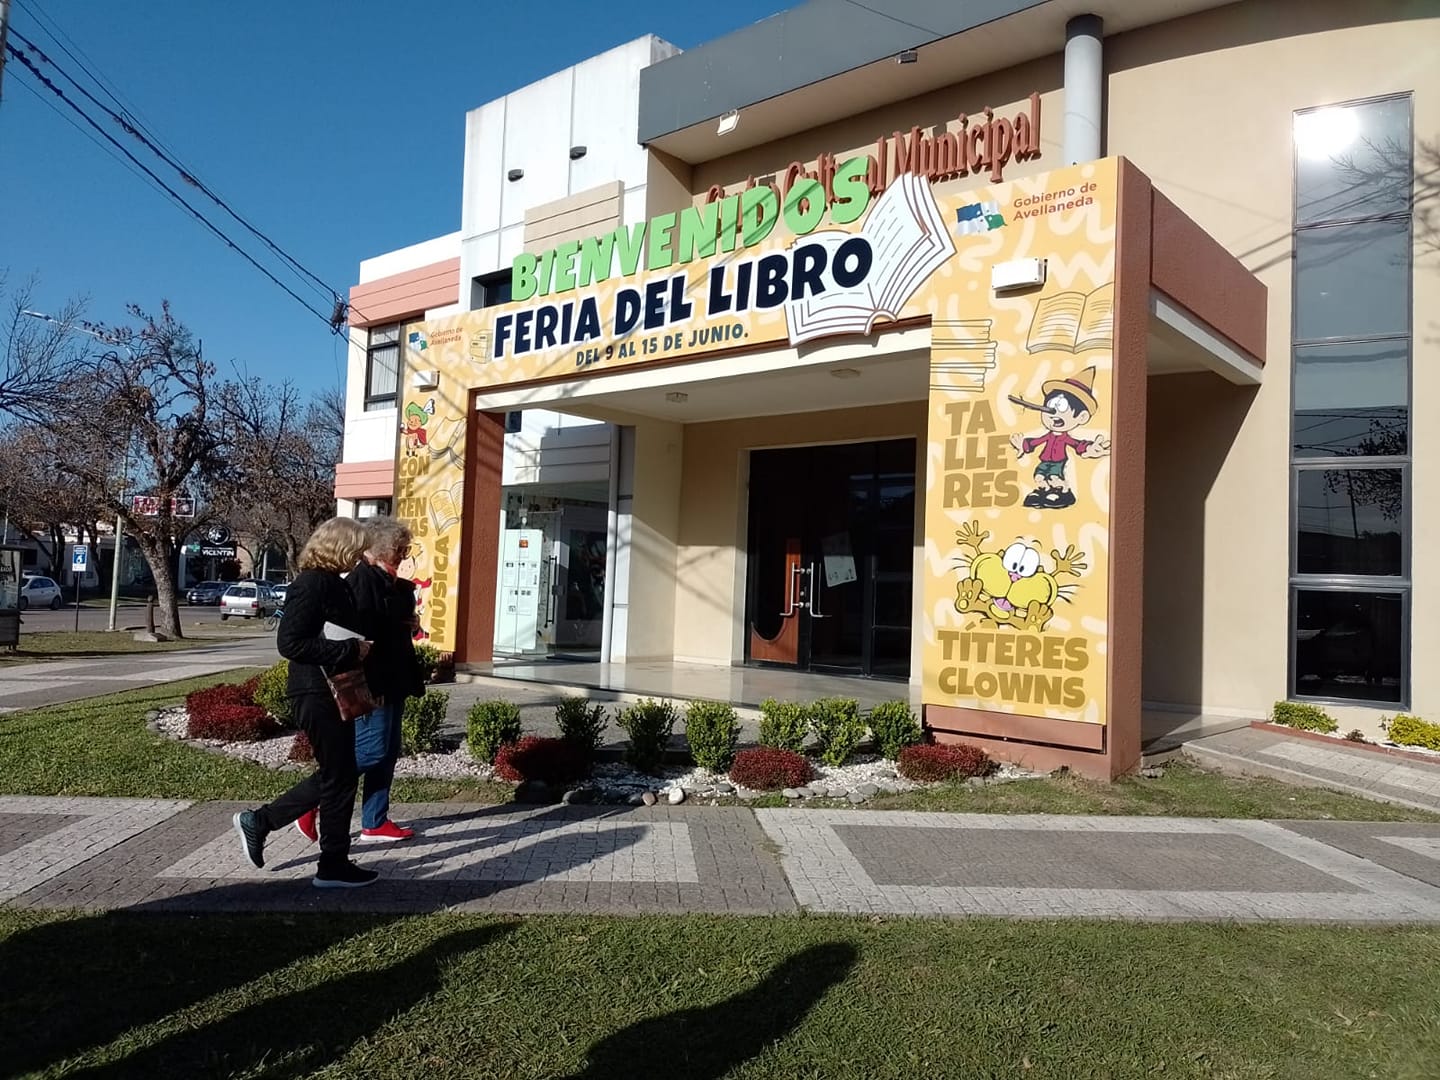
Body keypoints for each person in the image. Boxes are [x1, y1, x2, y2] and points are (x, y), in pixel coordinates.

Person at [231, 516, 379, 888]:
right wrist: (350, 648)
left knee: (339, 773)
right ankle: (330, 864)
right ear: (338, 547)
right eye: (356, 547)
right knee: (340, 775)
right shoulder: (311, 584)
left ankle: (265, 824)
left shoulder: (334, 584)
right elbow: (290, 643)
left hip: (335, 688)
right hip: (315, 691)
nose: (360, 555)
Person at [293, 516, 425, 845]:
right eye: (398, 548)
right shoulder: (362, 580)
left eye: (405, 548)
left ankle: (375, 821)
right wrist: (394, 621)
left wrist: (406, 621)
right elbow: (354, 629)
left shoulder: (388, 581)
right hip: (372, 680)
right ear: (376, 547)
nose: (403, 554)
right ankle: (311, 803)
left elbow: (383, 623)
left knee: (388, 750)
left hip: (393, 677)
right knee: (371, 751)